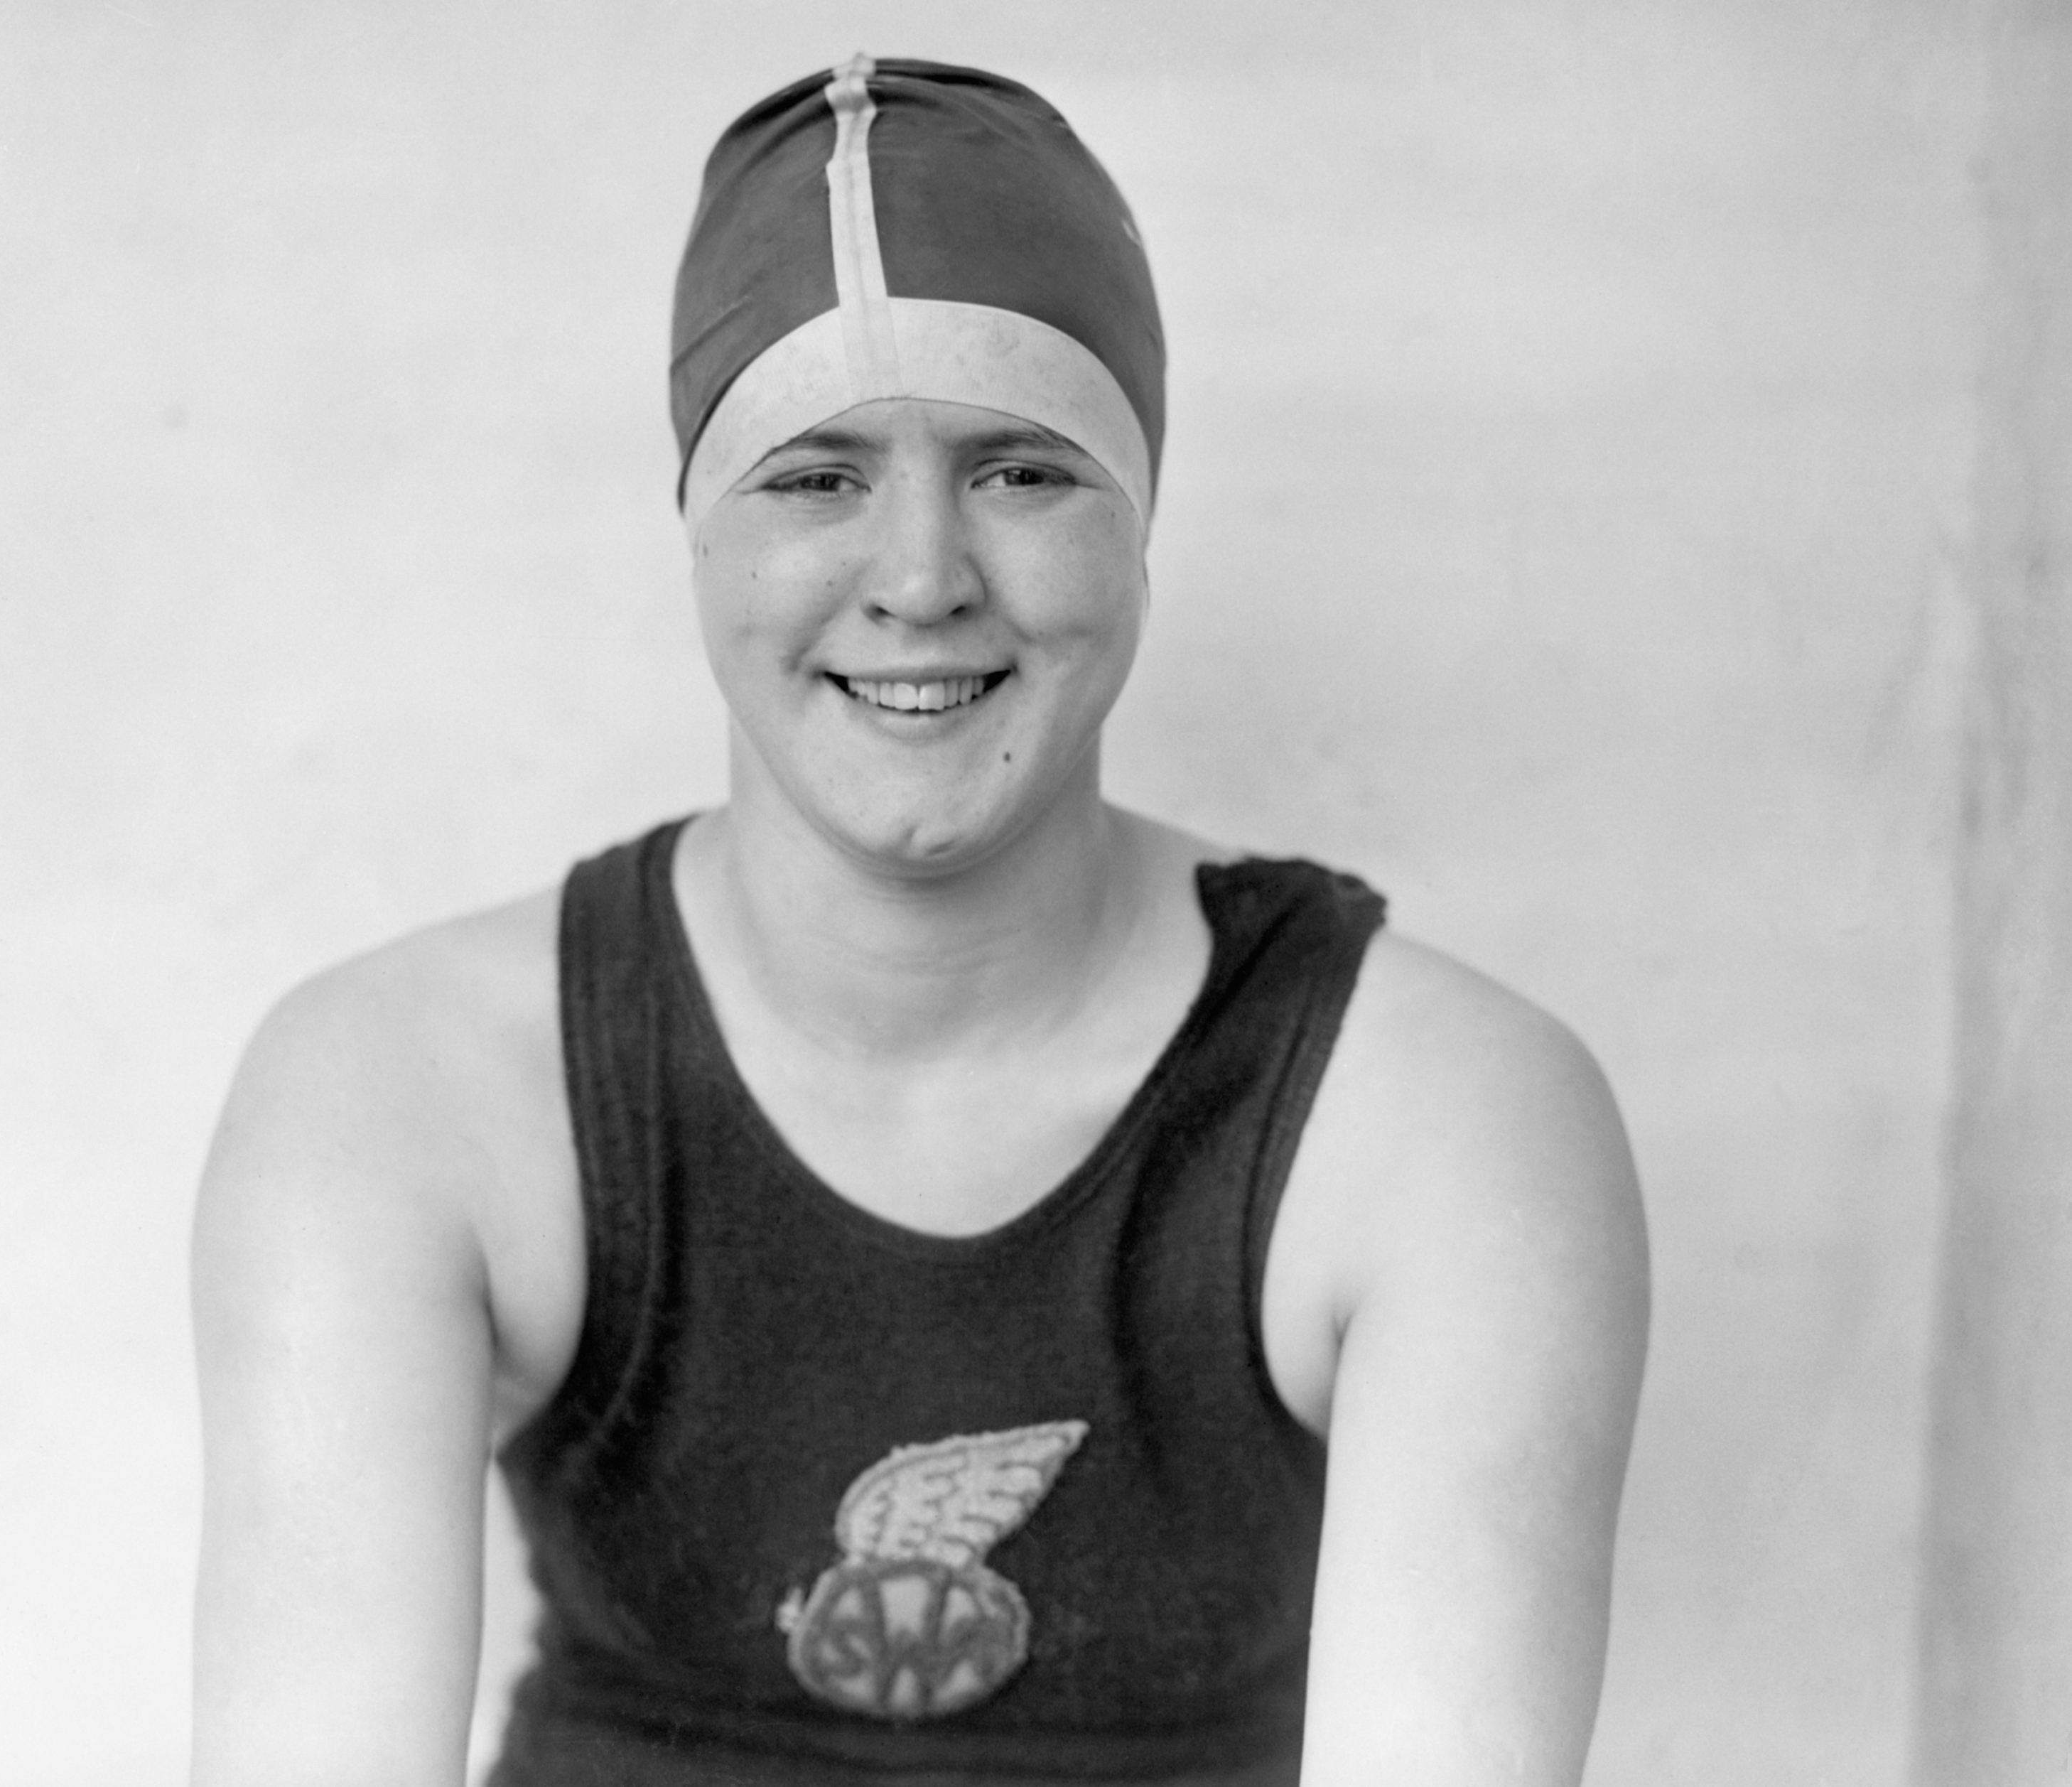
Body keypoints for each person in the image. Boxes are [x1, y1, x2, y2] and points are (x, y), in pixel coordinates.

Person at [188, 55, 1649, 1787]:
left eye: (1023, 471)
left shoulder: (1440, 1120)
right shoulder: (401, 1088)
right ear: (698, 538)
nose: (920, 574)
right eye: (812, 477)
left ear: (1140, 525)